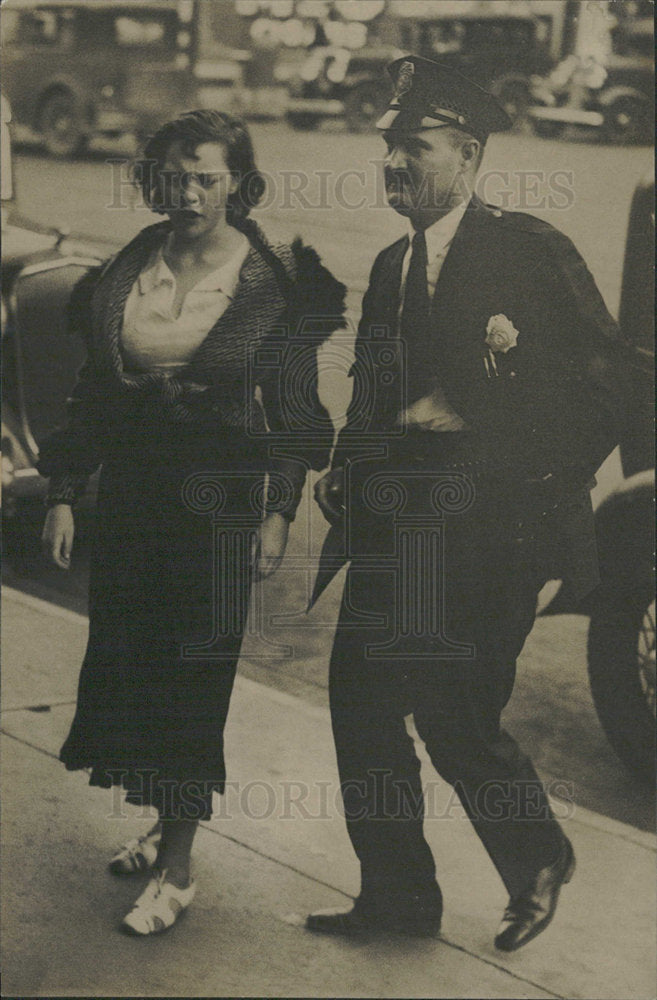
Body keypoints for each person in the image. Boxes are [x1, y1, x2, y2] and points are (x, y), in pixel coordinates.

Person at [309, 56, 629, 950]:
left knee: (455, 712)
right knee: (361, 704)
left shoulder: (527, 249)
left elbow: (616, 378)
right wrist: (345, 462)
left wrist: (539, 474)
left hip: (492, 521)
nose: (392, 165)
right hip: (395, 511)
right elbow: (374, 386)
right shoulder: (386, 266)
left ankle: (536, 857)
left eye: (414, 147)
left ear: (469, 156)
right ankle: (398, 897)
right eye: (387, 149)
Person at [40, 109, 345, 936]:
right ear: (153, 180)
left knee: (192, 680)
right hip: (136, 497)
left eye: (206, 176)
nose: (188, 194)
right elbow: (95, 390)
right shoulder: (132, 263)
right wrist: (65, 488)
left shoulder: (272, 279)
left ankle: (180, 867)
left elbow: (292, 411)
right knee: (133, 667)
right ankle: (159, 823)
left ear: (238, 182)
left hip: (217, 501)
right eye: (173, 177)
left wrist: (277, 512)